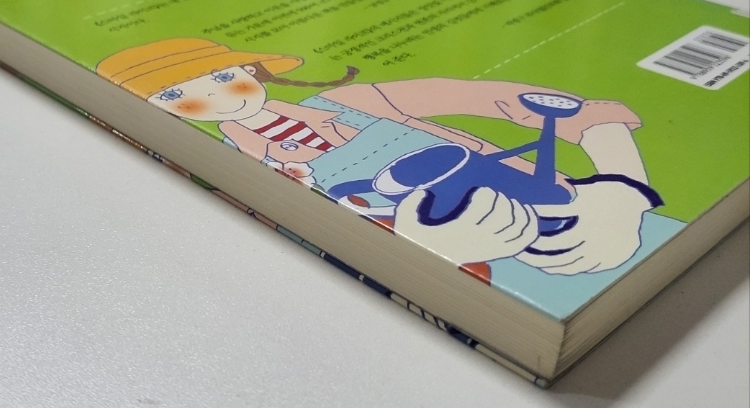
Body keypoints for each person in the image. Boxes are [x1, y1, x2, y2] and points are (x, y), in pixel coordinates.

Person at [96, 38, 667, 279]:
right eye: (177, 94)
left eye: (224, 76)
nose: (216, 98)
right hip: (489, 274)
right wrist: (439, 256)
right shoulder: (218, 167)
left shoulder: (356, 101)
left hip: (581, 215)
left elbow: (580, 111)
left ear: (251, 69)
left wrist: (623, 197)